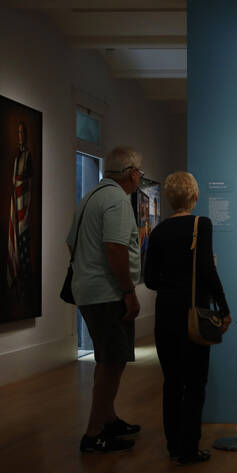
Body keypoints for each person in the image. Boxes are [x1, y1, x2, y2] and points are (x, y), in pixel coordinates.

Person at [144, 171, 231, 465]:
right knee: (194, 382)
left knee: (171, 381)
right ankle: (189, 447)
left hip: (165, 312)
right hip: (194, 311)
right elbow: (207, 271)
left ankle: (172, 444)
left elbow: (151, 279)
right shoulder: (200, 224)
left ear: (169, 199)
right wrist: (224, 307)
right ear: (194, 196)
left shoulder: (157, 232)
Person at [66, 146, 143, 453]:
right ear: (132, 173)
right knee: (112, 362)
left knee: (110, 359)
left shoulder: (90, 197)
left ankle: (108, 419)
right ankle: (94, 431)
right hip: (108, 294)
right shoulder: (117, 200)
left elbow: (71, 243)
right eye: (140, 172)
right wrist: (128, 291)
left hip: (89, 290)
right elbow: (115, 248)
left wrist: (88, 271)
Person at [7, 122, 33, 299]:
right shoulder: (16, 159)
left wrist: (26, 211)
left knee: (23, 245)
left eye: (22, 132)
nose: (20, 136)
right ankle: (15, 281)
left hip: (24, 210)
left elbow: (29, 185)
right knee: (14, 244)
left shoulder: (28, 157)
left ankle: (23, 283)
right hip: (14, 209)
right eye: (18, 132)